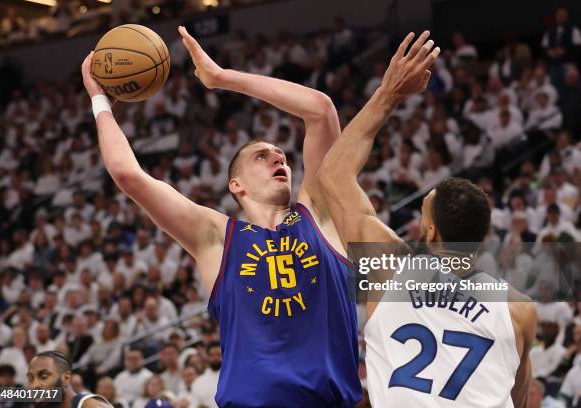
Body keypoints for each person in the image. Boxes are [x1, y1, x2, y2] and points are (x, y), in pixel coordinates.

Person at [81, 24, 361, 407]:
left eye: (280, 154)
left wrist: (221, 77)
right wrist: (100, 101)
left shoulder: (320, 214)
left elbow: (320, 110)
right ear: (236, 185)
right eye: (261, 156)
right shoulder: (215, 236)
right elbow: (128, 174)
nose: (278, 157)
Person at [319, 30, 537, 407]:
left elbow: (332, 175)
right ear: (484, 234)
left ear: (430, 229)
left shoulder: (389, 270)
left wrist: (389, 94)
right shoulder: (519, 308)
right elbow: (519, 399)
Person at [27, 350, 113, 408]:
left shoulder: (90, 405)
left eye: (43, 377)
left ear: (66, 378)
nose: (34, 385)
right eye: (31, 379)